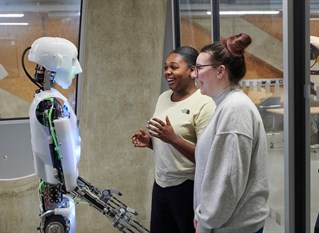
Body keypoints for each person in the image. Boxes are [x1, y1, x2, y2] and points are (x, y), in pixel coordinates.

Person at [131, 46, 215, 233]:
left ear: (193, 71)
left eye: (174, 67)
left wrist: (173, 139)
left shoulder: (205, 104)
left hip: (187, 188)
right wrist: (151, 143)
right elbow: (169, 145)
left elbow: (207, 159)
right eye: (166, 67)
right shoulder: (163, 98)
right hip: (161, 185)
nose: (167, 72)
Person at [192, 33, 269, 233]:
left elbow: (228, 180)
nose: (194, 75)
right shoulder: (227, 105)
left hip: (232, 227)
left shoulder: (234, 110)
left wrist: (206, 222)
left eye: (199, 68)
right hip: (226, 223)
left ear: (220, 71)